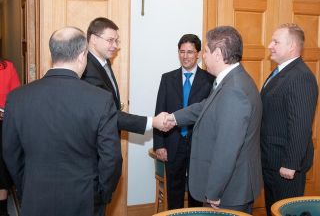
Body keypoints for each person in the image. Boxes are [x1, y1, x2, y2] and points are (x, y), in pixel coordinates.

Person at [2, 26, 122, 216]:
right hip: (85, 200)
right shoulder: (101, 99)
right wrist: (101, 195)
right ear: (83, 55)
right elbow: (111, 159)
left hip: (36, 197)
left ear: (53, 53)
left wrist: (27, 186)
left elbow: (10, 152)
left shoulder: (17, 98)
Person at [164, 26, 263, 213]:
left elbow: (227, 149)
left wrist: (213, 192)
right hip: (231, 186)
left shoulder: (234, 90)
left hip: (229, 191)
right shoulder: (231, 80)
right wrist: (173, 118)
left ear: (217, 54)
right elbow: (205, 106)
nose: (204, 57)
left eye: (207, 51)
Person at [260, 23, 318, 216]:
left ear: (292, 46)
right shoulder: (281, 72)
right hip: (271, 161)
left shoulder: (301, 77)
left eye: (276, 41)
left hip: (285, 167)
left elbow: (300, 125)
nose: (270, 45)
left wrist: (291, 163)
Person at [153, 34, 214, 209]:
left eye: (190, 52)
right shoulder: (167, 78)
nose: (185, 56)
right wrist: (160, 144)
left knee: (197, 190)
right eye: (181, 52)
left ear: (198, 54)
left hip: (199, 145)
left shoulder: (210, 80)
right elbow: (160, 112)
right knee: (174, 190)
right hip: (172, 143)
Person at [81, 17, 165, 133]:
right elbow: (106, 115)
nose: (115, 45)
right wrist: (152, 122)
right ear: (94, 39)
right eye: (110, 40)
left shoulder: (105, 62)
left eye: (116, 41)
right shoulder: (87, 69)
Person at [0, 58, 20, 216]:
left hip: (2, 124)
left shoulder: (7, 68)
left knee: (1, 167)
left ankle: (2, 209)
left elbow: (16, 98)